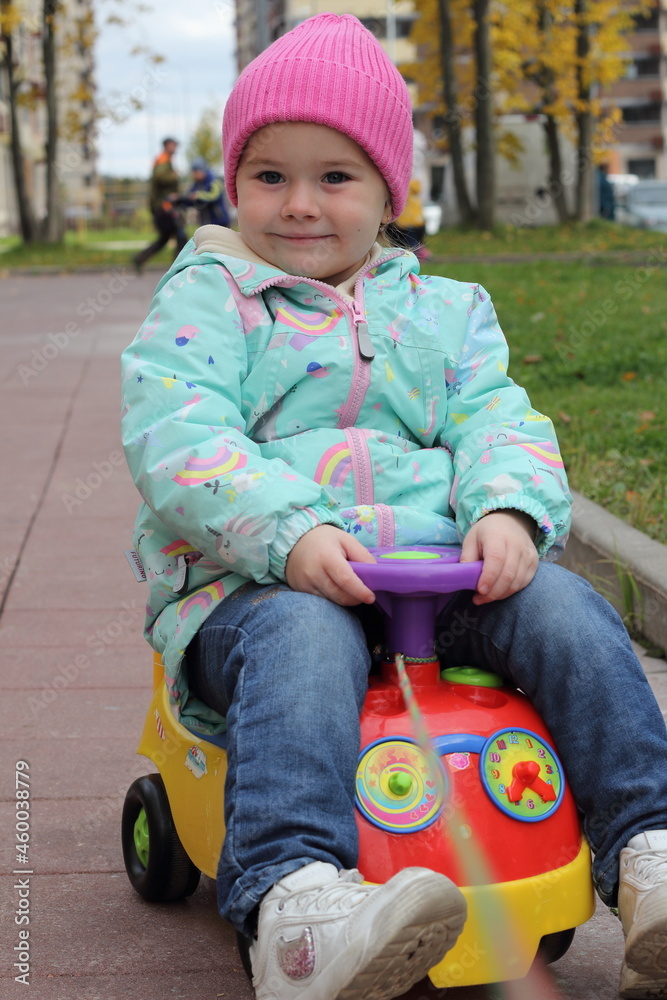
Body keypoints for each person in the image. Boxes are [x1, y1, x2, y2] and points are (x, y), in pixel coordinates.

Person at [121, 14, 667, 1000]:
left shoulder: (445, 313)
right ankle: (294, 902)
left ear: (388, 192)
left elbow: (499, 419)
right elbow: (180, 434)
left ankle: (647, 846)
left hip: (431, 576)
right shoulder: (208, 303)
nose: (298, 204)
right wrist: (290, 532)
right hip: (258, 585)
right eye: (269, 175)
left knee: (564, 611)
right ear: (233, 183)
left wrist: (503, 510)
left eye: (335, 177)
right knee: (301, 637)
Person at [133, 137, 188, 273]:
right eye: (173, 145)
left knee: (165, 238)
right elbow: (159, 177)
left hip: (163, 207)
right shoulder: (163, 160)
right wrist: (174, 176)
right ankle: (179, 267)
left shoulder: (166, 160)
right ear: (167, 145)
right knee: (181, 235)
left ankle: (140, 259)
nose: (175, 148)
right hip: (165, 207)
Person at [180, 157, 230, 227]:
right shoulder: (197, 184)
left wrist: (198, 195)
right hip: (205, 222)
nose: (194, 174)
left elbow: (214, 197)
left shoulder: (214, 181)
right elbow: (191, 200)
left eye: (196, 171)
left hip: (220, 221)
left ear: (202, 170)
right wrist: (180, 200)